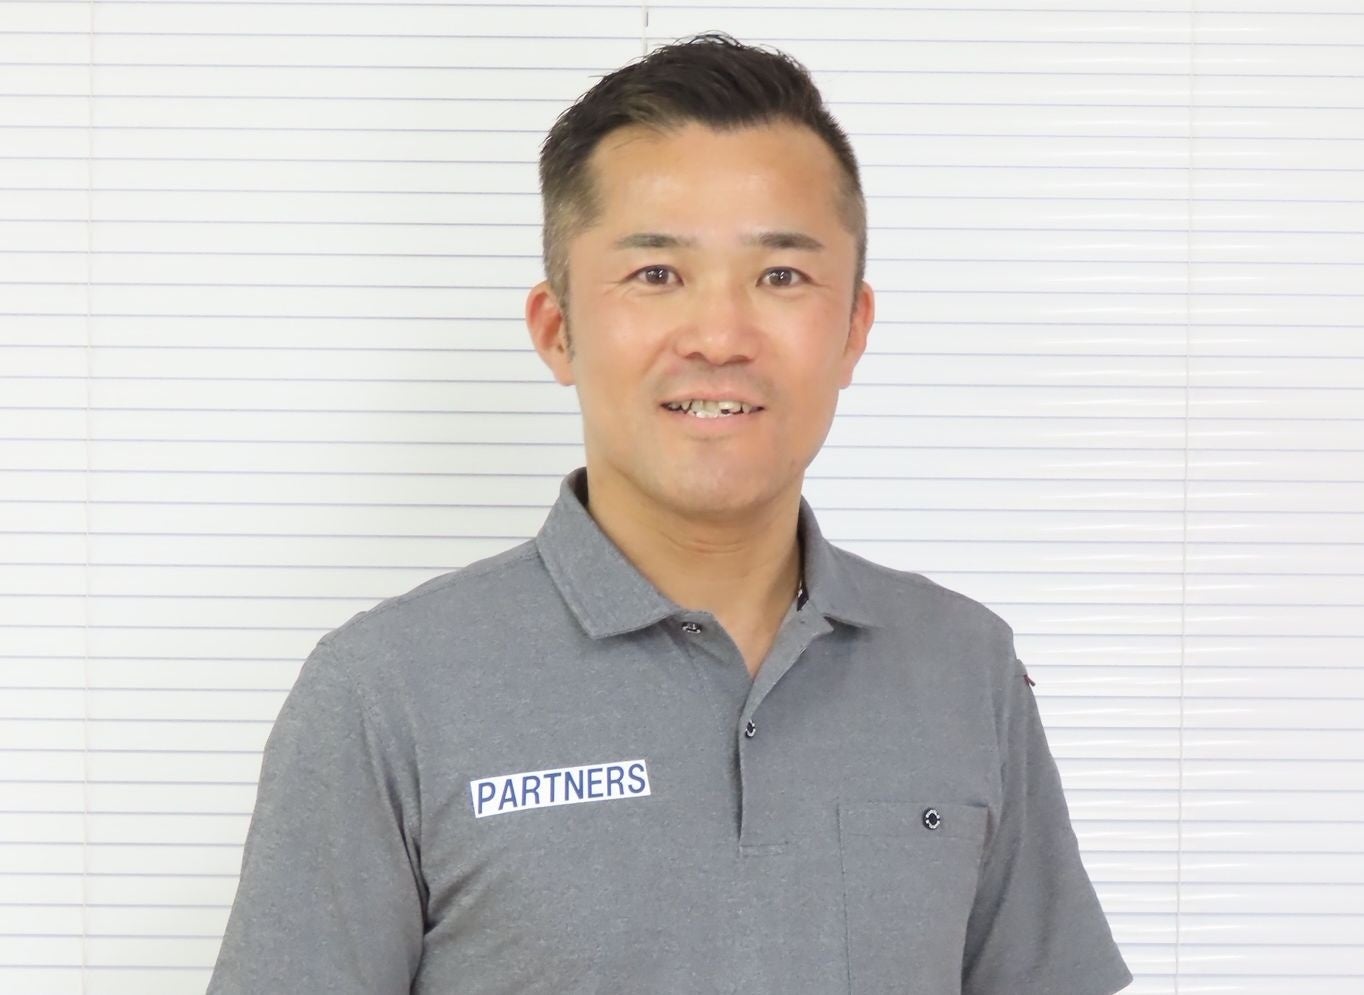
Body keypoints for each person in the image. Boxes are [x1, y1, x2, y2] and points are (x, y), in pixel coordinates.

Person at [207, 31, 1133, 995]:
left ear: (854, 328)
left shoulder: (966, 669)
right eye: (656, 275)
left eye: (781, 276)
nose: (720, 337)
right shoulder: (383, 694)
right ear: (558, 329)